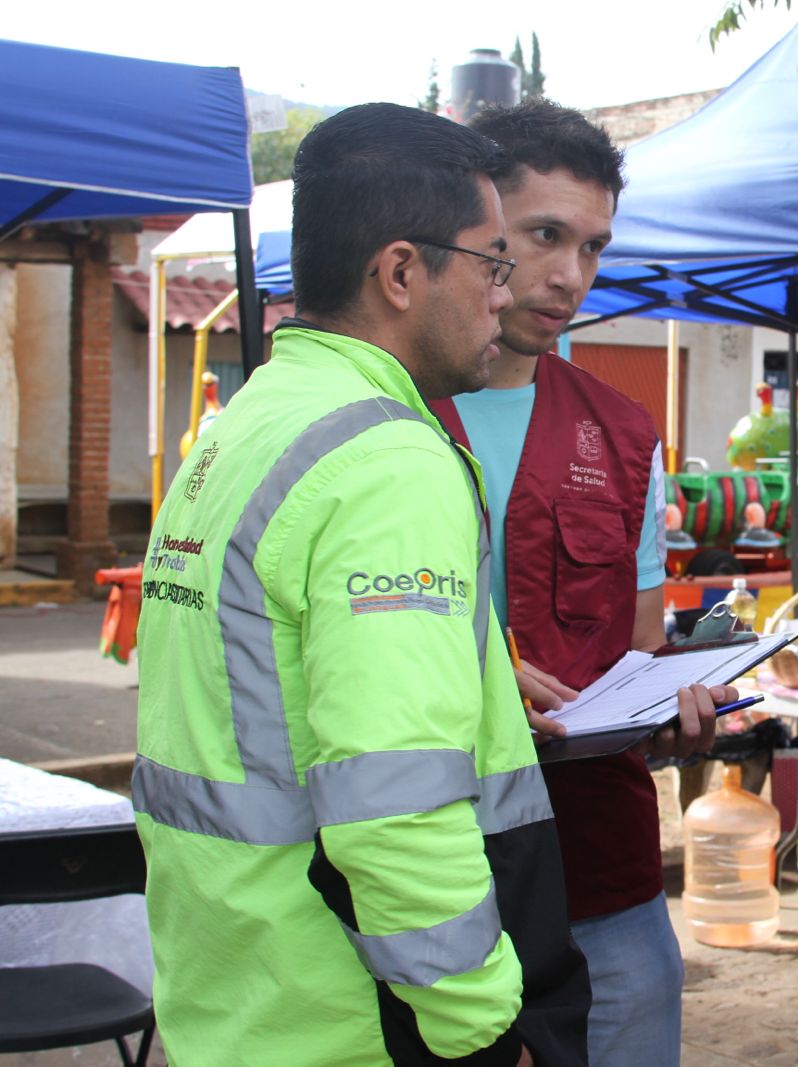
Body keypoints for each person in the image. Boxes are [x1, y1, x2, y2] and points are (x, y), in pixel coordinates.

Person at [132, 103, 592, 1065]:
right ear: (399, 271)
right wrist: (481, 1027)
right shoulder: (385, 459)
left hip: (239, 995)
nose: (506, 295)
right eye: (492, 262)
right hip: (357, 1019)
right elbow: (394, 806)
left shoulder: (250, 421)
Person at [428, 99, 724, 1067]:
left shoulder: (624, 434)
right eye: (545, 235)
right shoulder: (390, 410)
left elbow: (635, 651)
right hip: (432, 872)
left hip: (600, 871)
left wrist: (669, 703)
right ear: (477, 226)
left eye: (593, 246)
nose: (571, 276)